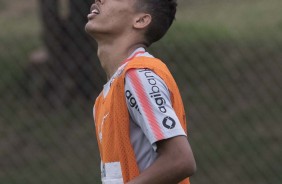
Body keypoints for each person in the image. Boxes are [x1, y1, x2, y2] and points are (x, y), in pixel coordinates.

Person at [85, 0, 196, 183]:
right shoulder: (108, 94)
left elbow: (180, 160)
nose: (99, 0)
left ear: (141, 20)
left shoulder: (138, 75)